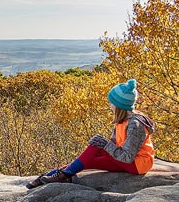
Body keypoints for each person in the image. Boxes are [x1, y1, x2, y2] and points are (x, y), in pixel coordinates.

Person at [27, 79, 156, 188]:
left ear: (119, 105)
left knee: (96, 145)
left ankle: (62, 175)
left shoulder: (135, 125)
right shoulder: (122, 120)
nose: (110, 105)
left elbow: (127, 157)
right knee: (88, 160)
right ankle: (51, 175)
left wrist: (103, 145)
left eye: (112, 103)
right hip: (127, 161)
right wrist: (104, 146)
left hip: (138, 164)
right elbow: (114, 143)